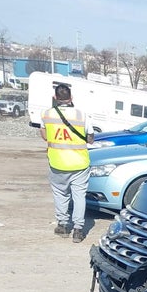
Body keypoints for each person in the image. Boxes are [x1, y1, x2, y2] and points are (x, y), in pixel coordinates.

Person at [40, 83, 94, 243]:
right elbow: (90, 138)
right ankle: (78, 230)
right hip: (79, 164)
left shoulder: (46, 114)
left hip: (57, 163)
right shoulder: (82, 115)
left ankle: (63, 225)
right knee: (79, 197)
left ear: (55, 98)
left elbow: (44, 136)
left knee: (60, 195)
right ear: (71, 98)